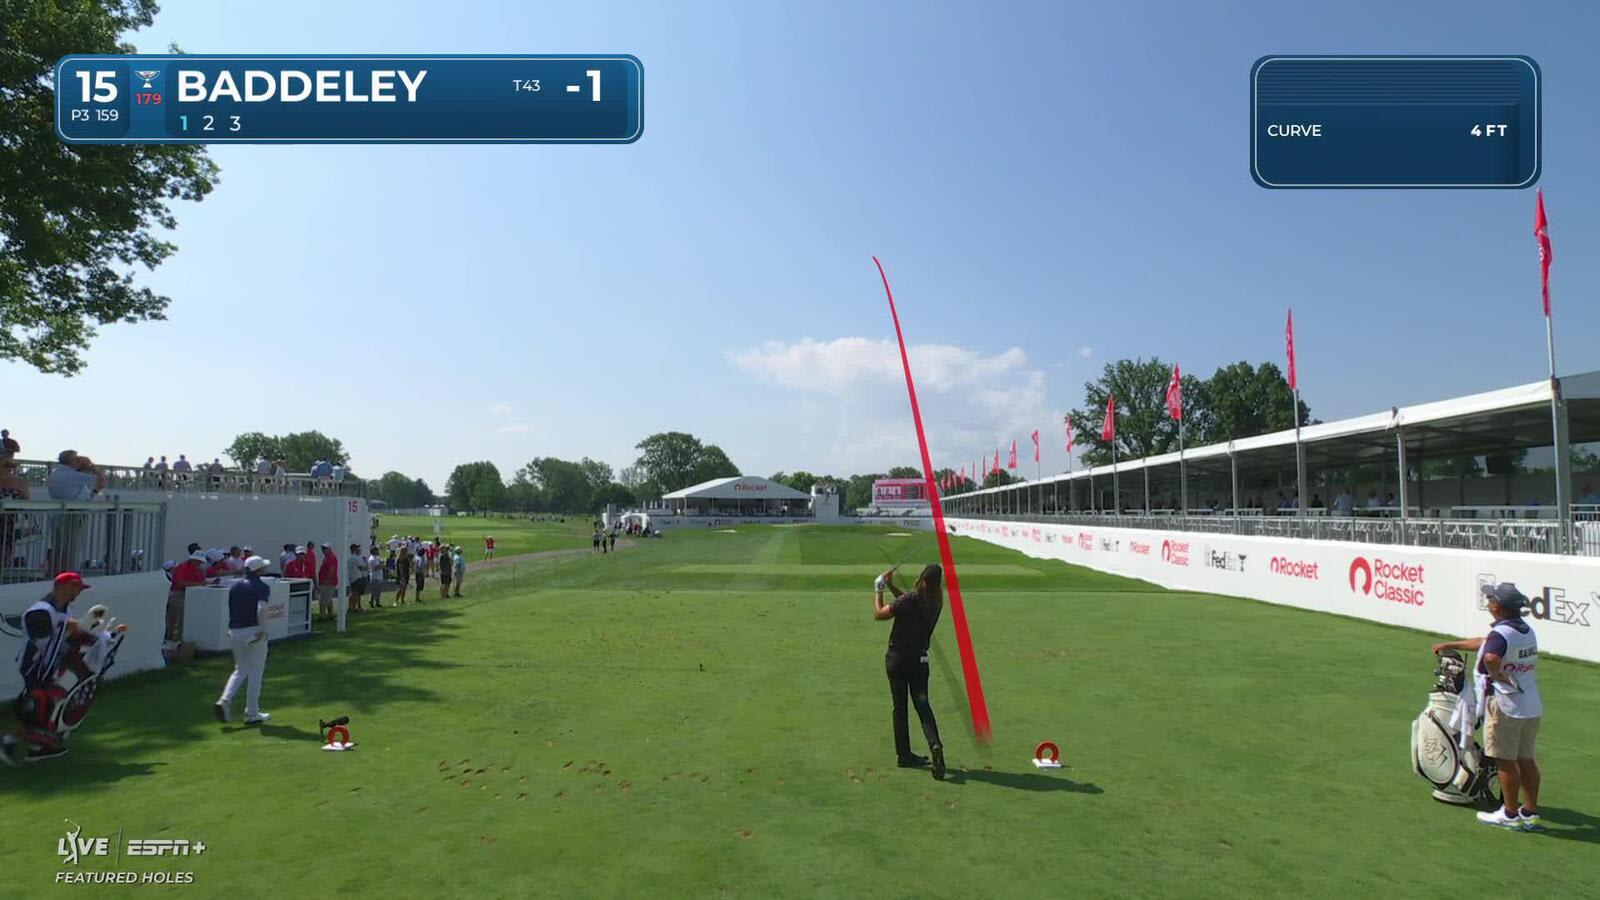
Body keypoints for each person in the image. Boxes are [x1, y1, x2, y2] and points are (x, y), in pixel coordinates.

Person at [1432, 583, 1544, 830]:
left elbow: (1491, 656)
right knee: (1526, 759)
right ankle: (1530, 811)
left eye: (1491, 598)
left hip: (1505, 704)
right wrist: (1451, 645)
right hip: (1530, 704)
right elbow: (1486, 645)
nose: (1488, 601)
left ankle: (1510, 814)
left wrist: (1497, 674)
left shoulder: (1500, 634)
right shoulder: (1525, 630)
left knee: (1505, 760)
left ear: (1497, 606)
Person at [0, 572, 99, 764]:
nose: (78, 592)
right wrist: (74, 628)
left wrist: (94, 636)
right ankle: (14, 741)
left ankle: (34, 746)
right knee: (39, 706)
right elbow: (43, 637)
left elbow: (64, 636)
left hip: (47, 666)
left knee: (46, 708)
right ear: (63, 586)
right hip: (33, 666)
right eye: (76, 587)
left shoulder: (64, 611)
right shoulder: (41, 610)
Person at [873, 564, 947, 780]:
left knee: (900, 707)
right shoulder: (935, 602)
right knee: (923, 707)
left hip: (897, 661)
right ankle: (935, 745)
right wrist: (892, 585)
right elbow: (905, 603)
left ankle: (904, 755)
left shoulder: (910, 601)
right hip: (919, 663)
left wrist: (878, 589)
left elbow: (879, 614)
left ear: (921, 578)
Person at [214, 556, 272, 725]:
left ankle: (225, 700)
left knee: (240, 669)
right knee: (256, 672)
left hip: (234, 631)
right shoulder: (261, 587)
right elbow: (261, 608)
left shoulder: (235, 586)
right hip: (253, 631)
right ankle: (252, 713)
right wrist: (262, 630)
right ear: (259, 570)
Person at [168, 545, 208, 643]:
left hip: (190, 595)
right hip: (178, 594)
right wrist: (199, 584)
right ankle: (170, 640)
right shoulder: (183, 567)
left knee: (185, 619)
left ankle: (182, 640)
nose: (200, 563)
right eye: (199, 561)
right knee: (176, 618)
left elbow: (201, 581)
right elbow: (180, 582)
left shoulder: (198, 569)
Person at [317, 543, 339, 620]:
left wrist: (327, 580)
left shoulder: (331, 557)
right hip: (325, 581)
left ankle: (322, 615)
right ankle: (331, 614)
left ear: (329, 549)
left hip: (328, 582)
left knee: (323, 599)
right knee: (329, 599)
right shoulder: (326, 557)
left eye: (325, 548)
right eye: (323, 548)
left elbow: (332, 569)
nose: (323, 550)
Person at [347, 543, 368, 614]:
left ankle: (354, 607)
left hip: (352, 577)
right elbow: (362, 568)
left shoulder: (350, 558)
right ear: (354, 550)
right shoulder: (356, 558)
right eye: (357, 549)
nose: (359, 550)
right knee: (355, 593)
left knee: (355, 593)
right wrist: (366, 565)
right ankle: (353, 607)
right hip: (357, 577)